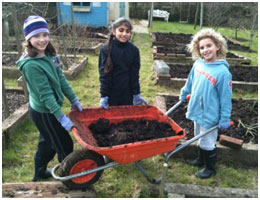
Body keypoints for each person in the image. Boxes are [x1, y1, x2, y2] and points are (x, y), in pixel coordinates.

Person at [16, 16, 83, 182]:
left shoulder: (50, 54)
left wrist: (73, 99)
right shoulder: (31, 65)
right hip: (44, 112)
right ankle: (69, 178)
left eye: (45, 34)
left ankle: (39, 174)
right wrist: (61, 117)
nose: (42, 40)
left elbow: (61, 79)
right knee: (64, 145)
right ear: (28, 39)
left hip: (49, 109)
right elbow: (45, 96)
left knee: (47, 144)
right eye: (36, 36)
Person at [179, 28, 232, 179]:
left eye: (209, 46)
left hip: (210, 113)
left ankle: (210, 168)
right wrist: (183, 93)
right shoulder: (198, 65)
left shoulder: (223, 73)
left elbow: (225, 98)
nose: (205, 50)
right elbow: (190, 82)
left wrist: (224, 118)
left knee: (208, 140)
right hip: (196, 108)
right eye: (202, 47)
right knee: (198, 136)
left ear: (218, 47)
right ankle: (200, 159)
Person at [98, 17, 147, 109]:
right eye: (121, 30)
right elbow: (104, 74)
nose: (124, 34)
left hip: (127, 93)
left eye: (127, 31)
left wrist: (136, 94)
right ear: (113, 31)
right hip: (111, 93)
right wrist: (104, 95)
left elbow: (134, 74)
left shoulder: (134, 50)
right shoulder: (106, 49)